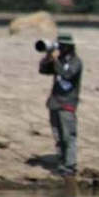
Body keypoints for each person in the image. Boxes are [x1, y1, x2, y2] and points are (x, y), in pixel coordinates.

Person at [39, 32, 82, 176]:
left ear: (70, 47)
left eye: (63, 46)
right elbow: (43, 70)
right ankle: (62, 162)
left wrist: (55, 60)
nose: (61, 48)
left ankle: (70, 165)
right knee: (58, 136)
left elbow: (67, 75)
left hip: (67, 104)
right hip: (55, 103)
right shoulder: (60, 60)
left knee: (67, 136)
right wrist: (48, 56)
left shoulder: (76, 61)